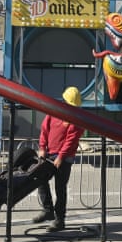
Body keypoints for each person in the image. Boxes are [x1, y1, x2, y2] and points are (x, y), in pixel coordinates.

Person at [32, 86, 84, 232]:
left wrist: (61, 156)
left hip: (64, 158)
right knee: (40, 180)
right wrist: (42, 148)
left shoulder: (76, 119)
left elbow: (71, 140)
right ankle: (48, 210)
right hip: (49, 154)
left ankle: (60, 220)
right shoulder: (53, 113)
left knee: (60, 189)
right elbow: (44, 130)